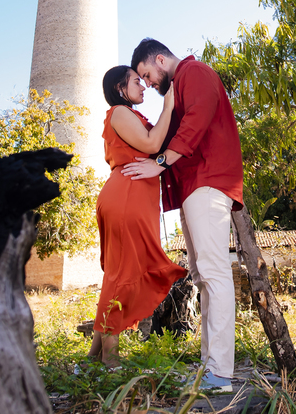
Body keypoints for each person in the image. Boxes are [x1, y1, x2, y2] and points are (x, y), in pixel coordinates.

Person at [121, 38, 244, 393]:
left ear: (160, 59)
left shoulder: (194, 72)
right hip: (194, 186)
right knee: (204, 276)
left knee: (214, 274)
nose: (149, 83)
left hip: (208, 183)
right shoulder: (179, 85)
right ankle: (211, 367)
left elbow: (197, 120)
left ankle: (220, 373)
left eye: (148, 74)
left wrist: (158, 164)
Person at [88, 65, 188, 367]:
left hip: (134, 197)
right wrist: (168, 105)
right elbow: (151, 144)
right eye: (136, 82)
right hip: (126, 196)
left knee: (118, 273)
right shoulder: (119, 113)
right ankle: (111, 358)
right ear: (120, 88)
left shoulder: (132, 115)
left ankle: (93, 356)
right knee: (122, 274)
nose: (144, 86)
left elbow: (154, 142)